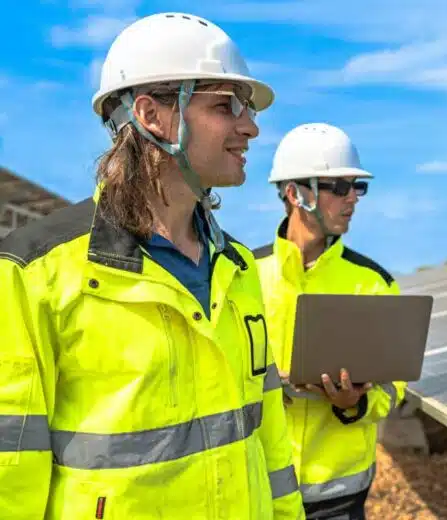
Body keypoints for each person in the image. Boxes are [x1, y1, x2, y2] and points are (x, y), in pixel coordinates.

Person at [0, 12, 304, 520]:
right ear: (151, 115)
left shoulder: (238, 267)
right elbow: (10, 470)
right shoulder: (33, 273)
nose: (250, 127)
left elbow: (267, 436)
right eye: (227, 105)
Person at [253, 123, 407, 520]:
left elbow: (393, 388)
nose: (352, 199)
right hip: (260, 486)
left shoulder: (373, 283)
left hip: (339, 494)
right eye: (338, 187)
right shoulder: (242, 275)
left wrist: (353, 403)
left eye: (357, 187)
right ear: (294, 193)